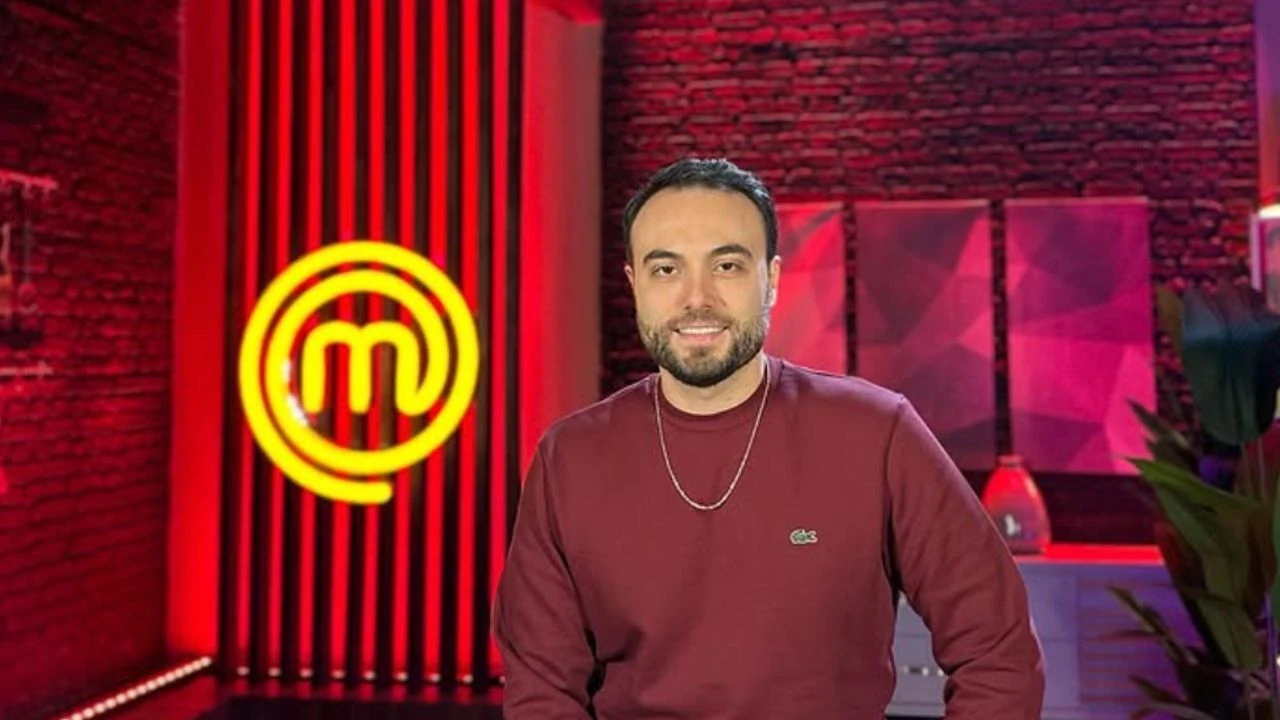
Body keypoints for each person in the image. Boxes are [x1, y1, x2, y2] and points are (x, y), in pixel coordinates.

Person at [492, 157, 1045, 718]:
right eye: (666, 269)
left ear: (772, 279)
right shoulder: (571, 459)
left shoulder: (877, 433)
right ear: (635, 284)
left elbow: (997, 651)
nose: (696, 298)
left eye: (727, 265)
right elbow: (541, 690)